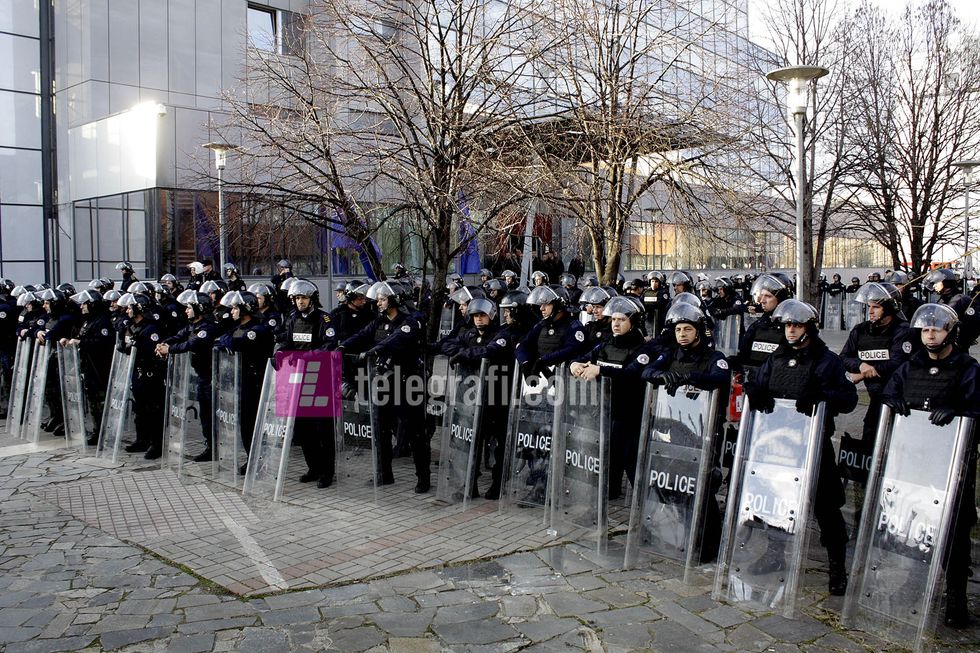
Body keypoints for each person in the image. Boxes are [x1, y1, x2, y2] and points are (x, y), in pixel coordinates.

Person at [743, 299, 858, 595]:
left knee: (827, 507)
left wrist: (822, 396)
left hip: (814, 444)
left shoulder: (827, 360)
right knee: (778, 501)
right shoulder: (777, 358)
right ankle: (774, 553)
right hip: (778, 444)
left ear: (809, 328)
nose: (790, 330)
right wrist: (755, 392)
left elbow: (848, 399)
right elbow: (757, 382)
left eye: (796, 325)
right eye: (787, 325)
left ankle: (837, 568)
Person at [882, 303, 980, 628]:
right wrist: (892, 401)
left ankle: (955, 596)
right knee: (915, 527)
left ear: (950, 332)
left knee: (954, 534)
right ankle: (916, 581)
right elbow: (889, 392)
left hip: (953, 466)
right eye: (925, 329)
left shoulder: (968, 368)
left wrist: (959, 411)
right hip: (914, 463)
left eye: (936, 329)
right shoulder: (911, 366)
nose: (931, 334)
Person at [639, 302, 729, 559]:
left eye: (687, 329)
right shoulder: (672, 355)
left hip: (705, 432)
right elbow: (647, 371)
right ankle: (685, 534)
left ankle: (709, 545)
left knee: (704, 485)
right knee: (680, 485)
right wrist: (662, 377)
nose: (682, 334)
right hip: (675, 431)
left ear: (699, 331)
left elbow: (720, 379)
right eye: (678, 330)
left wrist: (690, 380)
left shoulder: (714, 358)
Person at [340, 281, 429, 492]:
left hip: (408, 383)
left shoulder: (411, 320)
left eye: (382, 299)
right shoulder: (379, 321)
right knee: (380, 428)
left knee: (416, 432)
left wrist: (376, 350)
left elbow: (398, 338)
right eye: (378, 299)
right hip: (384, 383)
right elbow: (363, 334)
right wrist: (343, 346)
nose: (378, 303)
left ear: (394, 300)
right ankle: (384, 474)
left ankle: (423, 478)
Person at [571, 297, 650, 500]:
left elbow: (631, 373)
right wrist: (574, 365)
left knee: (631, 458)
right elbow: (585, 357)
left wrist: (600, 370)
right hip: (608, 409)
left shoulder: (642, 349)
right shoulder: (607, 344)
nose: (616, 323)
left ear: (633, 322)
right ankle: (610, 492)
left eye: (622, 319)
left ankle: (643, 504)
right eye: (614, 319)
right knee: (610, 455)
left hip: (632, 412)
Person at [444, 298, 513, 499]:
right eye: (475, 316)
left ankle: (497, 484)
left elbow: (489, 351)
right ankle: (469, 484)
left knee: (499, 444)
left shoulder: (501, 335)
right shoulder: (469, 334)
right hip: (472, 397)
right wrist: (461, 352)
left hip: (497, 397)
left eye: (482, 315)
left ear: (491, 316)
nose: (478, 320)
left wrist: (465, 354)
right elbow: (448, 345)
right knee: (471, 441)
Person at [839, 282, 915, 449]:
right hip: (875, 399)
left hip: (899, 400)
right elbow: (843, 357)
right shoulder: (860, 331)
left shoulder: (903, 331)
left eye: (876, 307)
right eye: (869, 307)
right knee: (869, 442)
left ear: (888, 308)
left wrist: (864, 373)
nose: (870, 311)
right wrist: (860, 365)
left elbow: (898, 363)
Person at [274, 280, 334, 486]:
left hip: (319, 378)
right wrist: (280, 351)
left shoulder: (324, 318)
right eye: (297, 298)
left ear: (312, 299)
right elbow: (287, 340)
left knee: (322, 429)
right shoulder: (292, 318)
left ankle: (327, 472)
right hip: (297, 378)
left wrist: (307, 357)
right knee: (303, 428)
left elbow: (330, 345)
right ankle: (313, 468)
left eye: (304, 298)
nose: (300, 302)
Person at [156, 291, 220, 461]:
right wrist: (163, 344)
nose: (186, 311)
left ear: (199, 308)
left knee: (211, 414)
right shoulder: (192, 326)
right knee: (205, 415)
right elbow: (179, 336)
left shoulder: (208, 327)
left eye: (189, 308)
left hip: (212, 377)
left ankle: (215, 448)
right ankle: (209, 446)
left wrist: (169, 349)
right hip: (202, 376)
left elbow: (192, 343)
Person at [117, 293, 167, 459]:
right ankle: (142, 439)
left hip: (150, 375)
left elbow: (154, 354)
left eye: (131, 307)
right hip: (137, 373)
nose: (128, 310)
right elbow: (124, 345)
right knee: (139, 410)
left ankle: (156, 444)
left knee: (153, 410)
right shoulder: (131, 326)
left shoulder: (151, 328)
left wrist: (137, 344)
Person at [63, 290, 114, 445]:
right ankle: (96, 430)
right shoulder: (88, 321)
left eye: (85, 304)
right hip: (88, 366)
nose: (82, 307)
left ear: (92, 304)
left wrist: (81, 343)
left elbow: (103, 343)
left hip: (99, 368)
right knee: (92, 401)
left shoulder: (102, 321)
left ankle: (103, 432)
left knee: (100, 401)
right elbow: (83, 337)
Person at [515, 286, 590, 377]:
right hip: (540, 381)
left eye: (546, 304)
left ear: (558, 305)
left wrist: (544, 361)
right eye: (541, 304)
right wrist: (525, 362)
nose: (541, 308)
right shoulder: (542, 324)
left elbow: (571, 350)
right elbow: (523, 344)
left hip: (564, 380)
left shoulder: (574, 326)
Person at [35, 289, 78, 436]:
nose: (44, 306)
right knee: (51, 391)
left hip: (63, 362)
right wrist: (37, 332)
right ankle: (56, 416)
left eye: (47, 303)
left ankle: (64, 420)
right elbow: (39, 329)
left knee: (61, 392)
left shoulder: (65, 318)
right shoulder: (52, 317)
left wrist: (43, 335)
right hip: (51, 359)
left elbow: (50, 335)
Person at [734, 273, 792, 380]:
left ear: (781, 298)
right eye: (761, 295)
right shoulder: (756, 327)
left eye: (768, 296)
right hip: (755, 384)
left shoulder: (791, 329)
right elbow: (743, 357)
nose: (762, 300)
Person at [922, 268, 980, 350]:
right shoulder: (942, 300)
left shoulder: (961, 300)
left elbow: (974, 324)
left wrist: (961, 342)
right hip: (941, 344)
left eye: (936, 283)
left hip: (957, 348)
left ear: (946, 283)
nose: (934, 285)